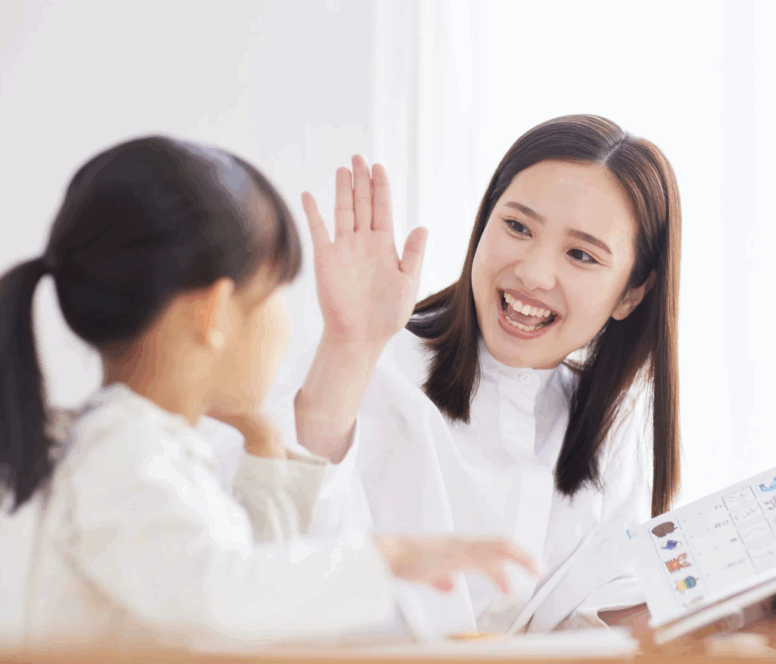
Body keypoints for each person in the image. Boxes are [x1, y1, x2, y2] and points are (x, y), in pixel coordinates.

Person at [230, 114, 776, 652]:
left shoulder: (608, 433)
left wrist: (754, 615)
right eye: (516, 226)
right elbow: (274, 554)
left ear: (631, 293)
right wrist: (348, 348)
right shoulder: (372, 360)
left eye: (581, 255)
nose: (534, 273)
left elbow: (589, 625)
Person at [0, 137, 536, 653]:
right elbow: (220, 597)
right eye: (275, 296)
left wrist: (267, 454)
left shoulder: (153, 449)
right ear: (214, 314)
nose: (283, 323)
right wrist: (386, 556)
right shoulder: (118, 454)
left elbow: (258, 579)